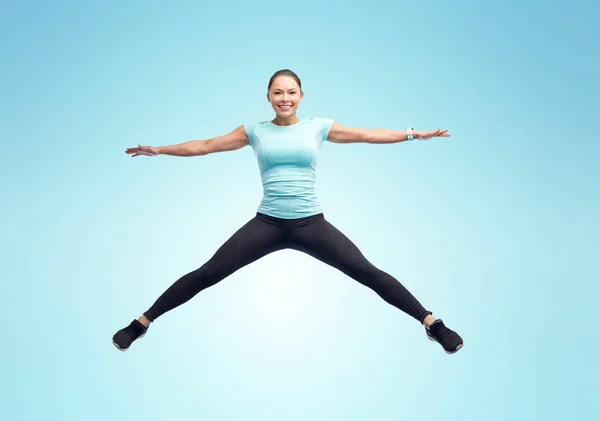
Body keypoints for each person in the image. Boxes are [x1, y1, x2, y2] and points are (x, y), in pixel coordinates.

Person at [113, 69, 464, 355]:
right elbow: (205, 146)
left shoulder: (318, 127)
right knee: (209, 272)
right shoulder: (254, 131)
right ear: (268, 97)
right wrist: (161, 150)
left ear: (301, 96)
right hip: (267, 223)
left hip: (310, 223)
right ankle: (141, 323)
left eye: (291, 92)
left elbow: (367, 135)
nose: (285, 98)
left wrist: (411, 134)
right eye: (278, 92)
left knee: (364, 270)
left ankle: (431, 323)